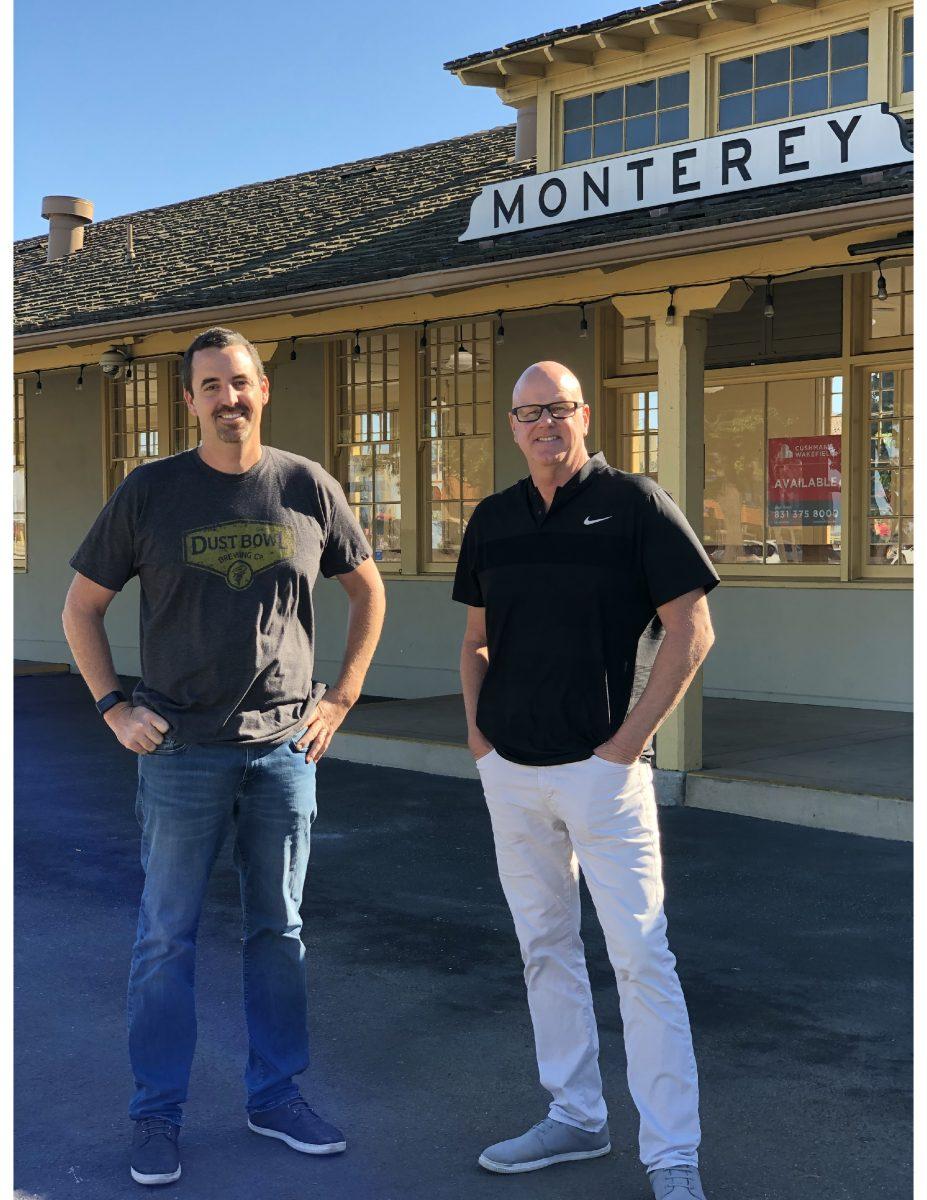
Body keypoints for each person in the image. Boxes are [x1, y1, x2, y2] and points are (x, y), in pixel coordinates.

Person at [62, 327, 385, 1187]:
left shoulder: (304, 487)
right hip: (179, 755)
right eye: (210, 385)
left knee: (278, 932)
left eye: (239, 382)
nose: (227, 398)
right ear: (191, 399)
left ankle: (274, 1096)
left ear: (262, 389)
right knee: (164, 940)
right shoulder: (150, 493)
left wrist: (340, 697)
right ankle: (155, 1114)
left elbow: (367, 589)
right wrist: (112, 705)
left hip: (283, 754)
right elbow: (80, 609)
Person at [453, 362, 719, 1200]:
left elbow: (691, 628)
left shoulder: (634, 504)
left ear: (582, 414)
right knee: (544, 949)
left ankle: (671, 1156)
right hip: (512, 775)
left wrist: (628, 742)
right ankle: (575, 1117)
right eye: (527, 413)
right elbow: (475, 640)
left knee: (641, 956)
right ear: (511, 425)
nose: (543, 425)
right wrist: (479, 741)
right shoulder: (493, 518)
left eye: (556, 410)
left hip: (604, 778)